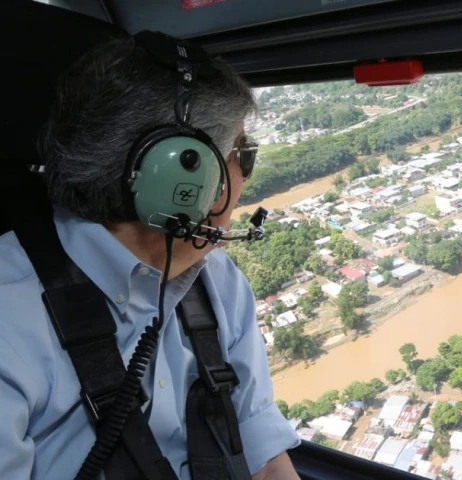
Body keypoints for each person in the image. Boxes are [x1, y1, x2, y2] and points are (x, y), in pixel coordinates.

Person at [0, 35, 300, 479]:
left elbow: (264, 453)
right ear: (182, 176)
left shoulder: (218, 279)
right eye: (244, 154)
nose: (245, 175)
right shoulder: (10, 320)